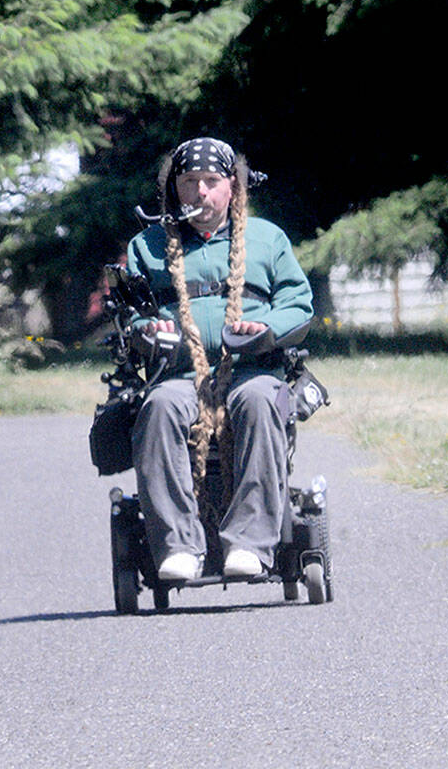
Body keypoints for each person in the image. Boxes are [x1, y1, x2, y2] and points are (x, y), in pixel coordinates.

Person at [126, 137, 314, 581]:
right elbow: (131, 315)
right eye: (189, 183)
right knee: (157, 409)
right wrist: (147, 332)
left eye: (211, 182)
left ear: (233, 186)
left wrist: (266, 330)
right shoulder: (147, 247)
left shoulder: (268, 239)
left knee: (261, 402)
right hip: (178, 374)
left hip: (252, 371)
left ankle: (249, 544)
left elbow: (299, 304)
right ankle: (178, 547)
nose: (201, 194)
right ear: (174, 189)